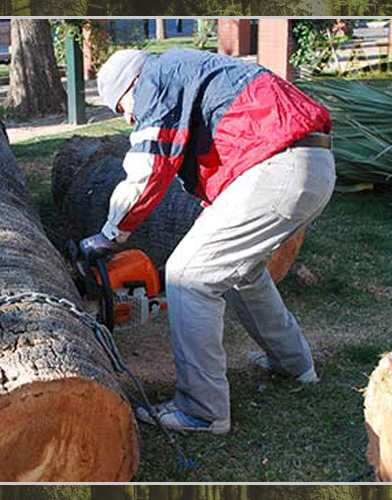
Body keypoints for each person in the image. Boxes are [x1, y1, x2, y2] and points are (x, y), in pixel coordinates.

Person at [80, 48, 335, 434]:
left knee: (188, 275)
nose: (130, 118)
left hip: (278, 166)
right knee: (240, 271)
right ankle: (294, 365)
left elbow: (149, 167)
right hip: (312, 164)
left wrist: (108, 235)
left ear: (131, 83)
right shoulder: (193, 69)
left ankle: (202, 411)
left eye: (122, 107)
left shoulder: (156, 77)